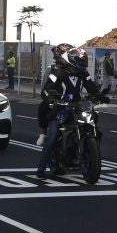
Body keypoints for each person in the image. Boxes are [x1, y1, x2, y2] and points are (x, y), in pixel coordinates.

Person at [34, 45, 86, 178]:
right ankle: (41, 167)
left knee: (91, 124)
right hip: (59, 109)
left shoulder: (82, 74)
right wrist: (51, 98)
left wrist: (99, 95)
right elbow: (46, 90)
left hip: (76, 108)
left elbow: (91, 85)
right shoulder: (56, 72)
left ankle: (85, 152)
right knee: (53, 136)